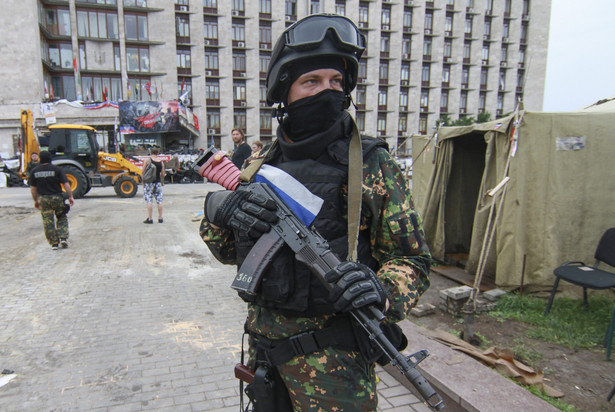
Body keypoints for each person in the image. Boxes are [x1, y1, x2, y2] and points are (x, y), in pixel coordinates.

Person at [200, 14, 431, 411]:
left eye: (336, 82)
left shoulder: (371, 163)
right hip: (265, 356)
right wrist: (223, 211)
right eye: (312, 82)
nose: (327, 91)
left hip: (335, 369)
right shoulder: (259, 163)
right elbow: (226, 250)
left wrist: (382, 289)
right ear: (284, 91)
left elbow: (413, 259)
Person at [28, 151, 74, 249]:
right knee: (61, 216)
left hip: (43, 199)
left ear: (40, 158)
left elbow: (33, 188)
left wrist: (35, 201)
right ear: (50, 158)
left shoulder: (34, 171)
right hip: (57, 197)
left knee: (47, 221)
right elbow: (66, 184)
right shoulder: (57, 169)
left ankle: (54, 243)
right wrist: (70, 196)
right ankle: (63, 238)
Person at [142, 147, 165, 224]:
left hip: (149, 183)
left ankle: (150, 218)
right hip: (158, 183)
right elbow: (163, 174)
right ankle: (160, 218)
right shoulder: (161, 162)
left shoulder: (147, 160)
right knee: (159, 200)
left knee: (149, 200)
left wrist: (143, 182)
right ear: (158, 153)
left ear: (150, 153)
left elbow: (143, 172)